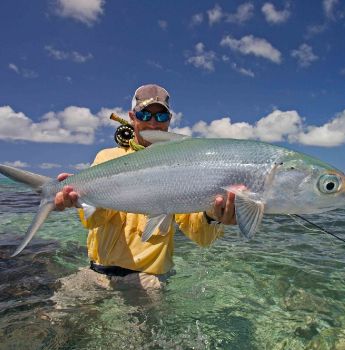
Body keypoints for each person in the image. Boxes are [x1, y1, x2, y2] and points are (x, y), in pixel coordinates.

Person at [54, 84, 238, 291]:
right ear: (132, 117)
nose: (153, 123)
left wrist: (213, 216)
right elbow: (93, 221)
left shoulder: (184, 165)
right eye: (145, 114)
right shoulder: (106, 158)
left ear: (169, 120)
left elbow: (201, 236)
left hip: (150, 280)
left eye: (161, 117)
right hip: (97, 272)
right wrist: (79, 198)